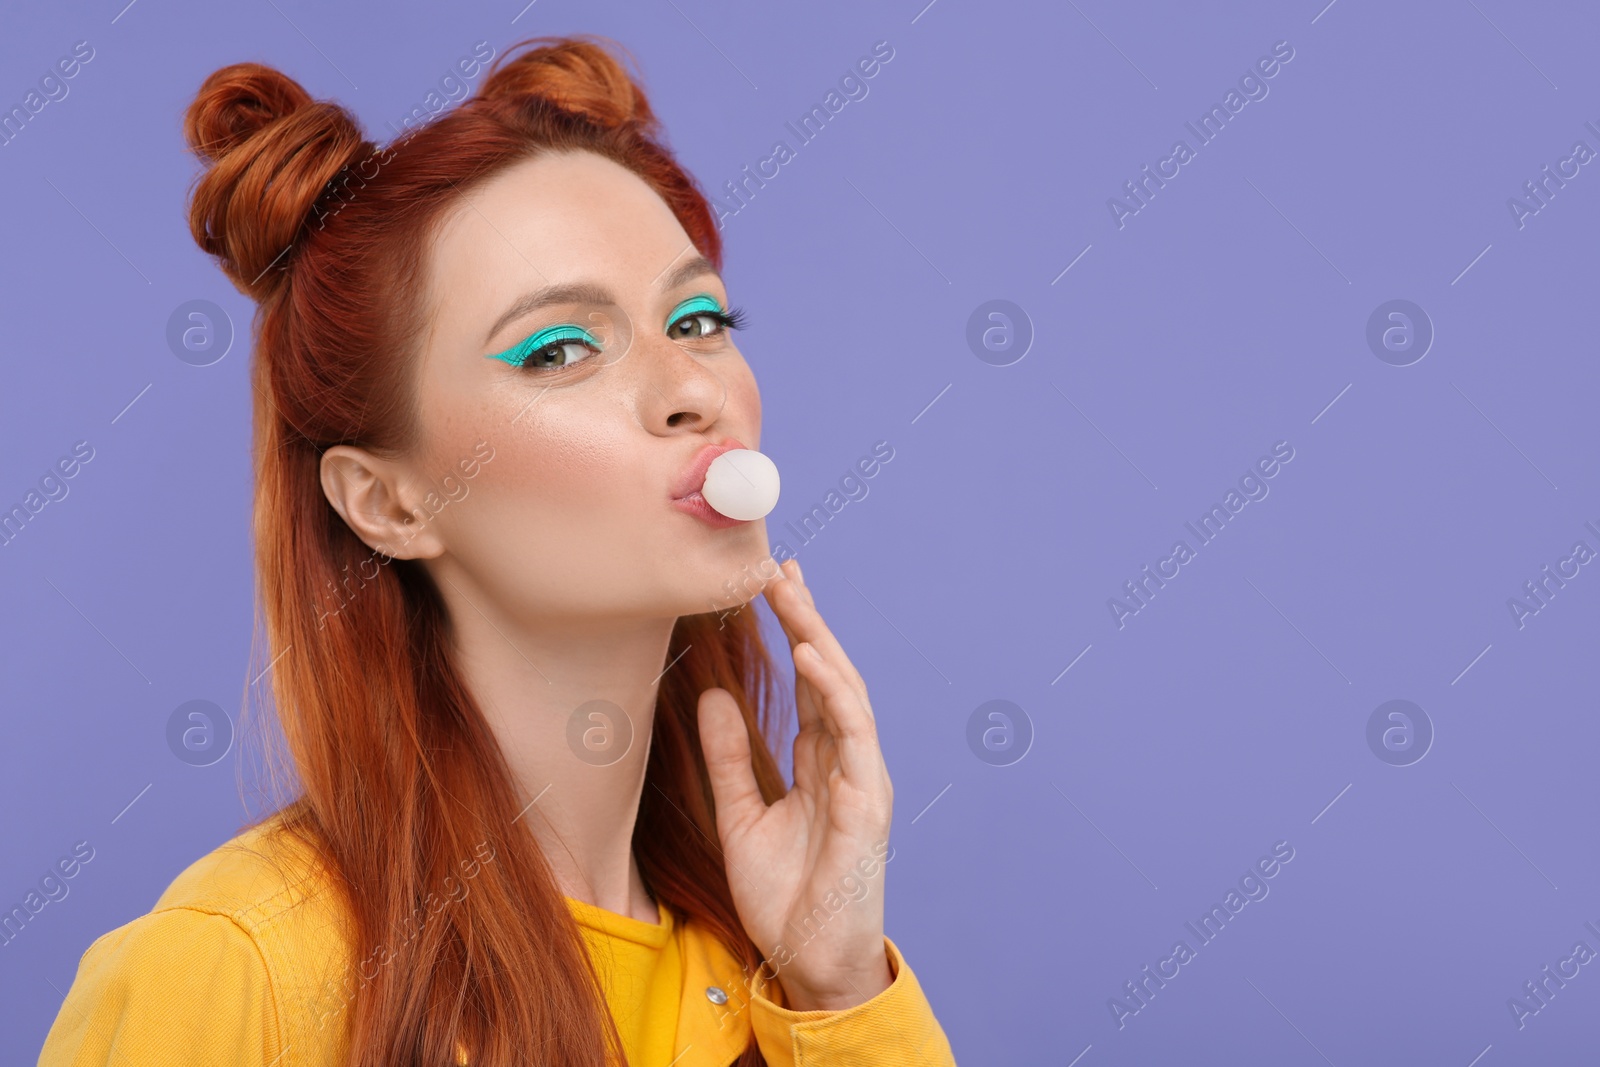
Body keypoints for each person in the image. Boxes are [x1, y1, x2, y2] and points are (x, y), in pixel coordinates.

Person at [37, 34, 957, 1067]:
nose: (694, 389)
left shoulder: (779, 965)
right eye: (560, 348)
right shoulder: (236, 971)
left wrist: (835, 983)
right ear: (385, 502)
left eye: (698, 318)